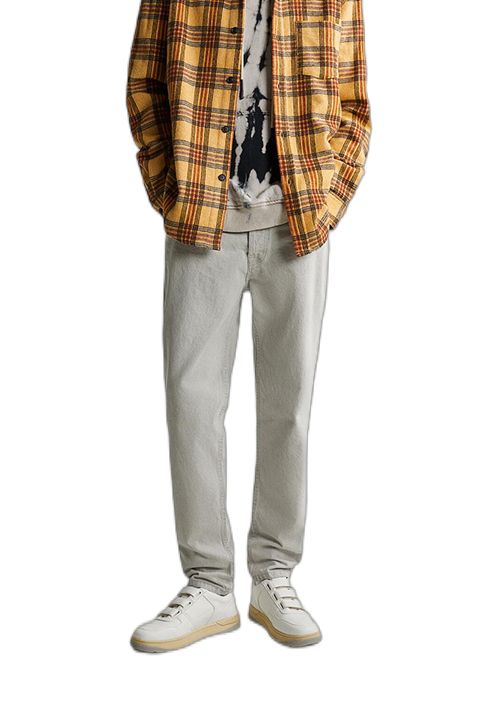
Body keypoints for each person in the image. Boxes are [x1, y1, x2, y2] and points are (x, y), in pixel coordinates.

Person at [126, 0, 370, 651]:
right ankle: (209, 584)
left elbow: (353, 102)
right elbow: (145, 84)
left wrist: (327, 202)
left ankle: (274, 575)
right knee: (191, 404)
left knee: (290, 409)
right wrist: (171, 191)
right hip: (202, 220)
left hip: (298, 224)